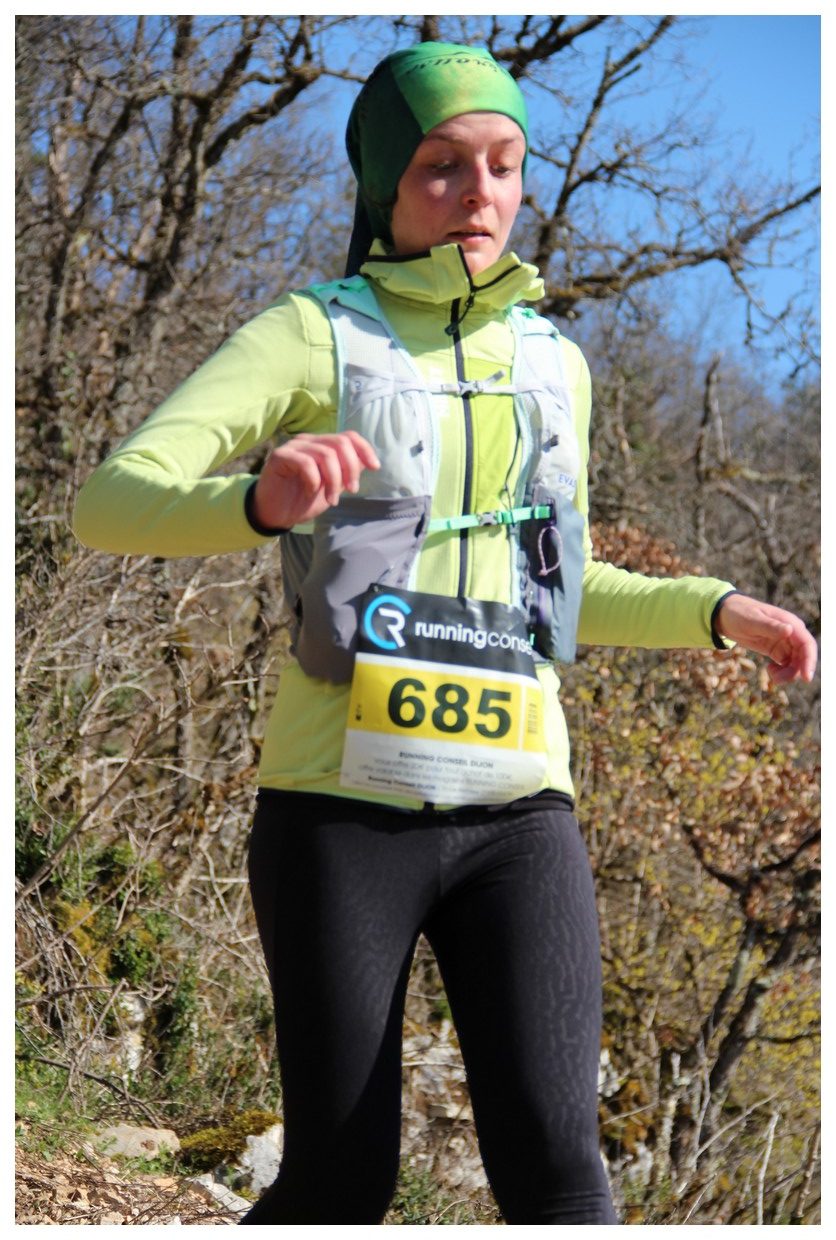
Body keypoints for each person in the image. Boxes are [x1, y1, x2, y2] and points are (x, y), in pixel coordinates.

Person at [73, 42, 816, 1226]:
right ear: (383, 186)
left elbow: (555, 588)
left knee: (561, 1175)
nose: (479, 193)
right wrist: (258, 501)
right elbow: (110, 502)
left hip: (519, 813)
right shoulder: (311, 334)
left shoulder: (554, 363)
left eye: (503, 166)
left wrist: (709, 610)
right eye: (441, 167)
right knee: (339, 1181)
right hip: (337, 812)